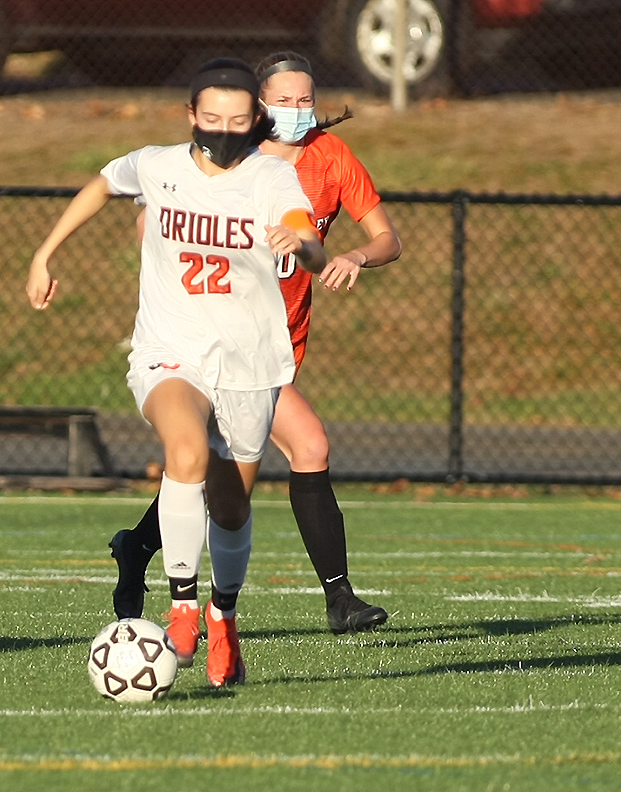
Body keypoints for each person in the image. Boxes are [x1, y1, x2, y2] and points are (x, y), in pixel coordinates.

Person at [27, 57, 326, 687]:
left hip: (248, 360)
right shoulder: (158, 165)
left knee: (233, 509)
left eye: (238, 120)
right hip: (170, 350)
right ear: (191, 115)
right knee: (184, 451)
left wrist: (301, 244)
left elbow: (306, 230)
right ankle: (184, 605)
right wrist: (44, 252)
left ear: (256, 122)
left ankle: (224, 616)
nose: (222, 130)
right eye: (210, 117)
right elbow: (103, 184)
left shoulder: (269, 174)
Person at [110, 51, 402, 636]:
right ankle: (333, 599)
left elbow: (387, 238)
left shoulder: (331, 158)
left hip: (280, 345)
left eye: (305, 99)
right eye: (283, 100)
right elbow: (155, 215)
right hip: (213, 343)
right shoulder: (235, 161)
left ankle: (140, 546)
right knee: (308, 446)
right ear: (255, 107)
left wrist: (351, 256)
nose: (297, 111)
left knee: (223, 478)